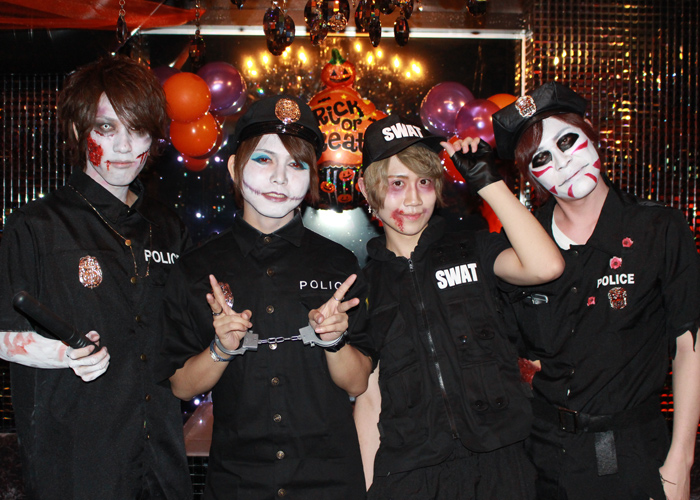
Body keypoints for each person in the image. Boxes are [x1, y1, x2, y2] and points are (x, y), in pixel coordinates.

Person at [157, 94, 375, 499]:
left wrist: (334, 341)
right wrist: (221, 349)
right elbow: (181, 386)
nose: (280, 178)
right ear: (235, 168)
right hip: (238, 481)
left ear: (312, 176)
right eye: (263, 159)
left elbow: (358, 381)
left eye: (296, 164)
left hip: (328, 481)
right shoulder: (196, 268)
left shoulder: (338, 264)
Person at [491, 81, 700, 500]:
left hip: (632, 454)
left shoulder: (658, 229)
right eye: (541, 158)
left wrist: (682, 457)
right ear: (530, 176)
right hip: (541, 458)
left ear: (590, 132)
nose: (563, 162)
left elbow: (689, 346)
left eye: (567, 141)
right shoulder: (519, 248)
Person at [0, 56, 192, 499]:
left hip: (163, 461)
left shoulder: (167, 226)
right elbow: (3, 331)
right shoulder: (36, 225)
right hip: (75, 462)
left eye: (137, 129)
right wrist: (61, 353)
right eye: (106, 128)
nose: (124, 146)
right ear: (77, 130)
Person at [353, 113, 565, 499]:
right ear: (366, 191)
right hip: (412, 476)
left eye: (424, 182)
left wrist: (487, 181)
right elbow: (370, 401)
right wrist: (368, 488)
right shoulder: (364, 287)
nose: (414, 199)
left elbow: (545, 266)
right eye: (397, 183)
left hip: (500, 463)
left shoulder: (473, 248)